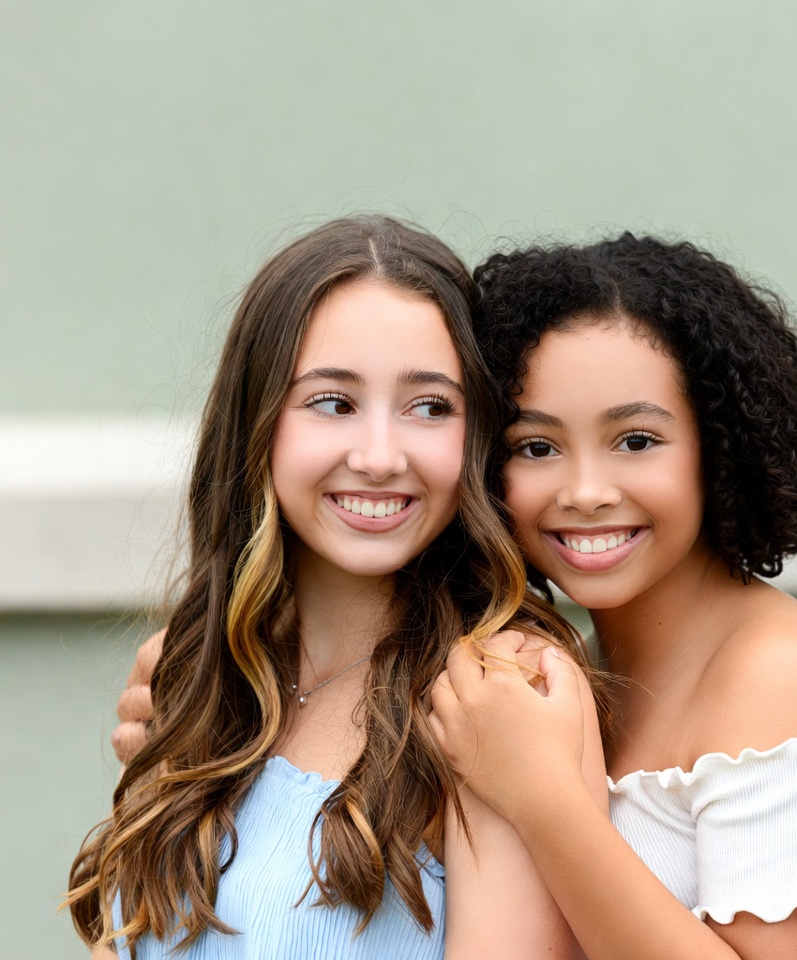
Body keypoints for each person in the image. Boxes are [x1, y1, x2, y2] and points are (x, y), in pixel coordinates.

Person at [67, 216, 605, 959]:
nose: (380, 457)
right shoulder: (193, 670)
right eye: (333, 402)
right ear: (258, 422)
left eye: (429, 407)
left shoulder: (502, 692)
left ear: (475, 433)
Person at [429, 233, 797, 960]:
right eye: (536, 447)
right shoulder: (571, 672)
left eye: (637, 441)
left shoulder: (777, 673)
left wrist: (541, 795)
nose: (586, 492)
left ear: (719, 447)